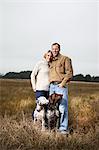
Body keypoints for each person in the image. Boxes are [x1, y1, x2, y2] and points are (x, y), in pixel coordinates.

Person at [49, 43, 73, 134]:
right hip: (51, 86)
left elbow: (69, 73)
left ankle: (63, 129)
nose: (54, 50)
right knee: (53, 108)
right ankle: (53, 128)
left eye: (56, 49)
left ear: (59, 49)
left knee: (62, 108)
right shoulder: (51, 60)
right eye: (53, 49)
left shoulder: (65, 59)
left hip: (60, 86)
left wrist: (62, 84)